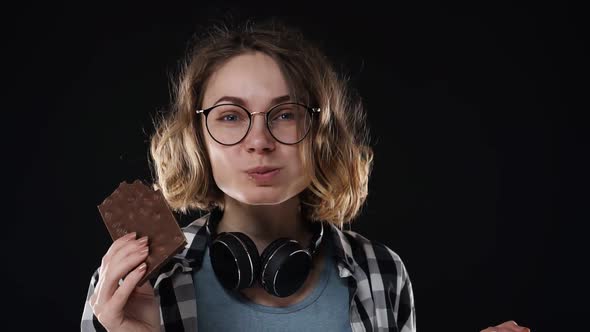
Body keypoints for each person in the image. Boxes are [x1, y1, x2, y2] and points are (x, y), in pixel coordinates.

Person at [81, 17, 530, 332]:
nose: (260, 140)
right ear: (198, 138)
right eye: (231, 116)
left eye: (286, 114)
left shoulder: (382, 273)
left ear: (323, 134)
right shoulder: (133, 282)